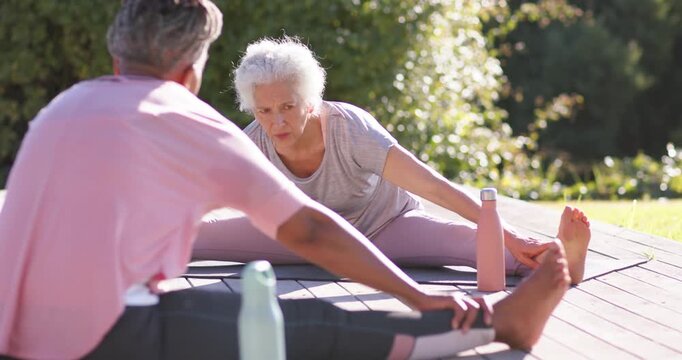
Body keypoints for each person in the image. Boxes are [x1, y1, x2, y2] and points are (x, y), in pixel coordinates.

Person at [0, 2, 575, 359]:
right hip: (92, 339)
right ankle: (499, 324)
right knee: (302, 327)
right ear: (189, 70)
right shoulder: (187, 119)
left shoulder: (63, 108)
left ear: (116, 54)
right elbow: (308, 232)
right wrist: (419, 296)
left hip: (12, 328)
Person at [193, 37, 592, 284]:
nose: (276, 121)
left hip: (385, 229)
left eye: (288, 106)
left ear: (310, 100)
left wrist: (509, 235)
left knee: (484, 250)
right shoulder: (254, 142)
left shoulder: (352, 131)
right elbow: (202, 197)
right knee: (195, 236)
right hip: (306, 236)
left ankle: (562, 260)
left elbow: (435, 187)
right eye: (264, 111)